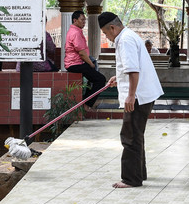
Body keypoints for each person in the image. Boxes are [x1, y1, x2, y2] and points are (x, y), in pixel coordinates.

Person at [98, 11, 163, 189]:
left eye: (105, 33)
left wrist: (131, 95)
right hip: (144, 94)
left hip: (139, 96)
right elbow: (132, 67)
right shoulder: (128, 36)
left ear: (112, 27)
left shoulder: (125, 40)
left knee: (130, 135)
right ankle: (139, 173)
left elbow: (134, 70)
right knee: (135, 134)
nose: (107, 37)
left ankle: (131, 179)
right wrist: (118, 78)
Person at [64, 10, 106, 107]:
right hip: (75, 64)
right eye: (82, 20)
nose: (84, 22)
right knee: (100, 79)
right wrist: (90, 64)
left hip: (76, 63)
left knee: (93, 79)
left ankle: (86, 101)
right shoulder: (75, 33)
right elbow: (82, 53)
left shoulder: (75, 31)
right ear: (75, 20)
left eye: (85, 20)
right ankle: (87, 104)